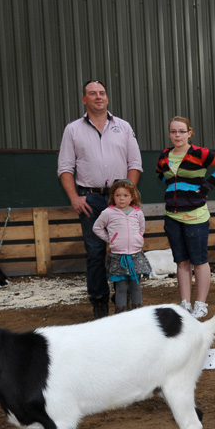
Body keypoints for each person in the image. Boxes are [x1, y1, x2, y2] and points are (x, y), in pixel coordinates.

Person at [58, 80, 143, 319]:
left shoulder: (123, 127)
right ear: (84, 100)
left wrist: (127, 195)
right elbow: (65, 167)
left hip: (120, 200)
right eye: (92, 94)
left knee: (123, 250)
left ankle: (123, 301)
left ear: (107, 98)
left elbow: (134, 164)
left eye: (102, 93)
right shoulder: (73, 129)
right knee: (95, 252)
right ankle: (99, 302)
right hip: (90, 200)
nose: (98, 97)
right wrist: (74, 197)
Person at [155, 116, 215, 319]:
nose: (177, 135)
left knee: (199, 261)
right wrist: (175, 186)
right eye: (173, 131)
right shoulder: (165, 155)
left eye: (182, 131)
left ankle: (201, 304)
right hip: (172, 215)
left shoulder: (200, 153)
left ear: (189, 133)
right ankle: (184, 304)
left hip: (195, 216)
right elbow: (160, 174)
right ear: (169, 134)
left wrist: (206, 187)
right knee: (181, 261)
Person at [91, 180, 152, 313]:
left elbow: (141, 228)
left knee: (136, 285)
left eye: (125, 195)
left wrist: (138, 239)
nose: (121, 198)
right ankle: (120, 313)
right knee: (121, 287)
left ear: (132, 197)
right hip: (118, 256)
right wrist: (111, 239)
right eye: (118, 195)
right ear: (113, 197)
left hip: (135, 255)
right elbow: (97, 227)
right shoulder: (108, 212)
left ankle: (138, 312)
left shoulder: (138, 213)